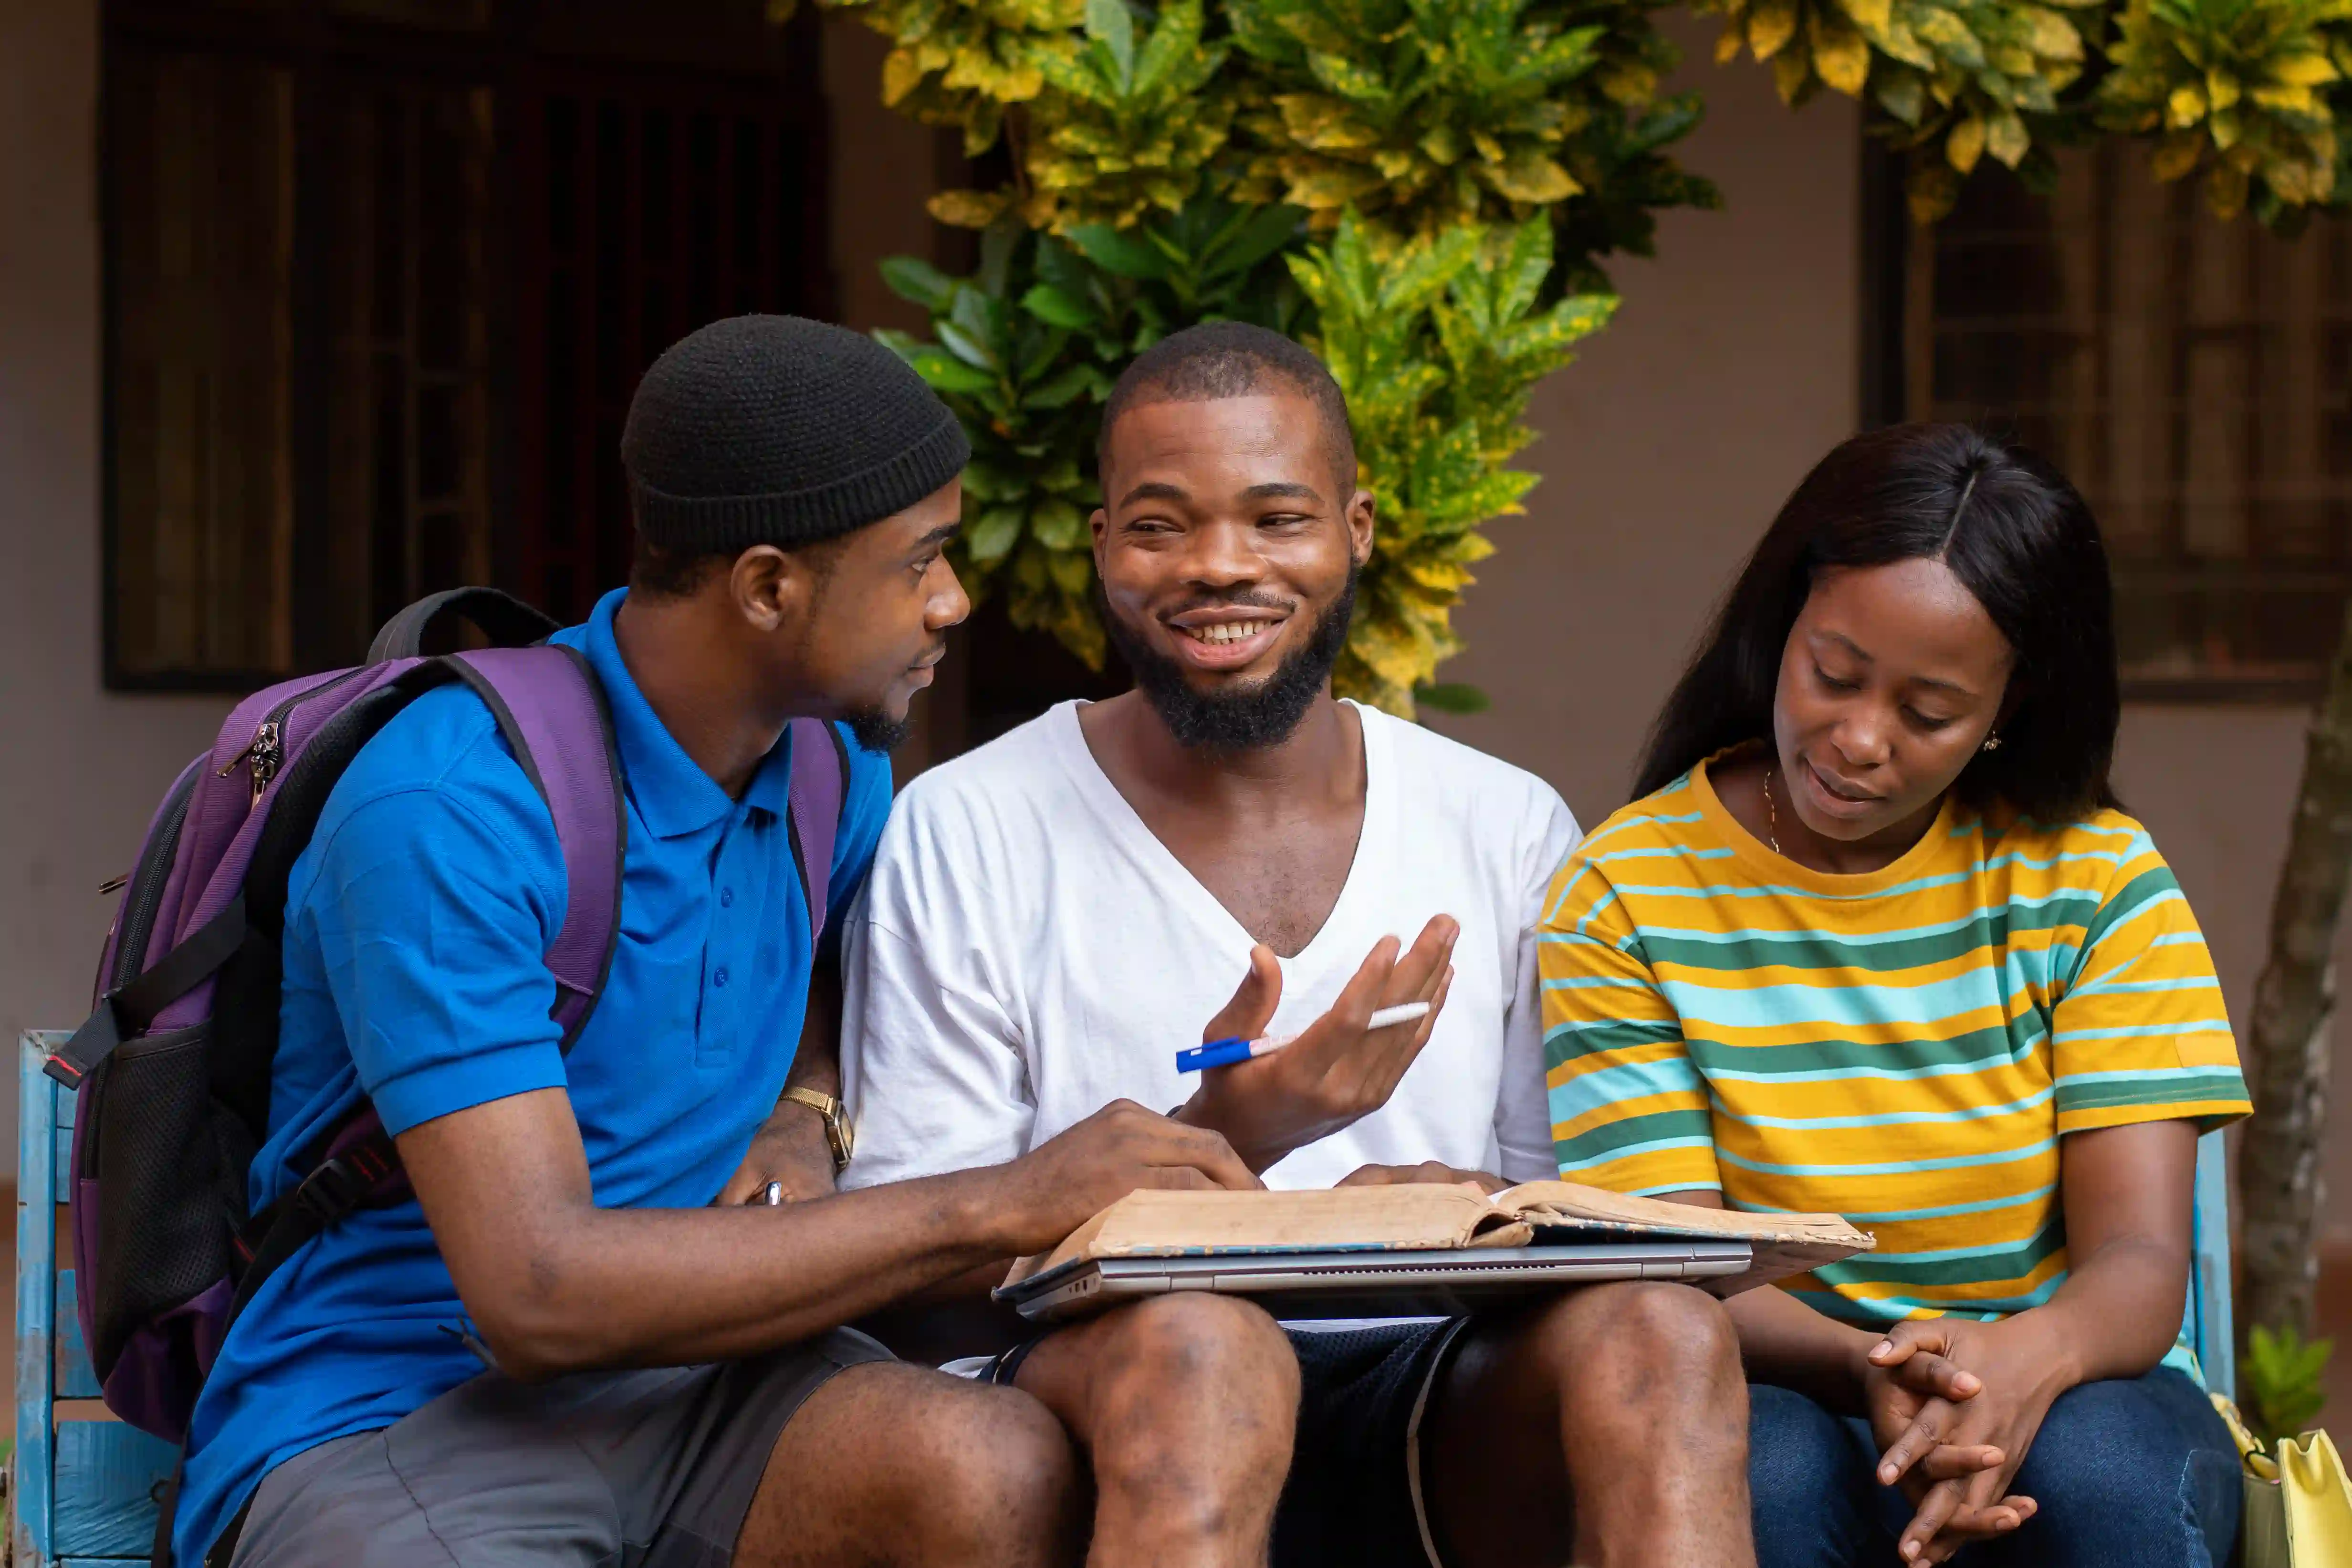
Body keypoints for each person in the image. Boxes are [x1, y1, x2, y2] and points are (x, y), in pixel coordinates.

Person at [178, 315, 1266, 1568]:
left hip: (710, 1385)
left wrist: (806, 1103)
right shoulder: (449, 811)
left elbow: (820, 958)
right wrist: (996, 1201)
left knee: (995, 1468)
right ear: (766, 588)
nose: (955, 601)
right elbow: (537, 1288)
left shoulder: (824, 763)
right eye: (921, 561)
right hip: (401, 1412)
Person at [827, 322, 1758, 1568]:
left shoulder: (1504, 821)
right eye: (1162, 524)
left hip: (1434, 1386)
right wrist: (1225, 1139)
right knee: (1208, 1347)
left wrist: (1440, 1214)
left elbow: (1561, 1219)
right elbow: (917, 1272)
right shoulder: (969, 824)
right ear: (1104, 549)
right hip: (1127, 1382)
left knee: (1668, 1332)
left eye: (1277, 518)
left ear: (1357, 530)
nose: (1222, 565)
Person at [1537, 423, 2251, 1568]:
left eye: (1927, 714)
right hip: (1780, 1371)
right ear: (1782, 625)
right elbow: (1677, 1261)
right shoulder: (1627, 891)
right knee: (1751, 1469)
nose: (1859, 738)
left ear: (2006, 707)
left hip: (2067, 1372)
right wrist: (1881, 1366)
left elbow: (2136, 1260)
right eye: (1832, 672)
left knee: (2110, 1478)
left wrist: (2017, 1361)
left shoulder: (2095, 878)